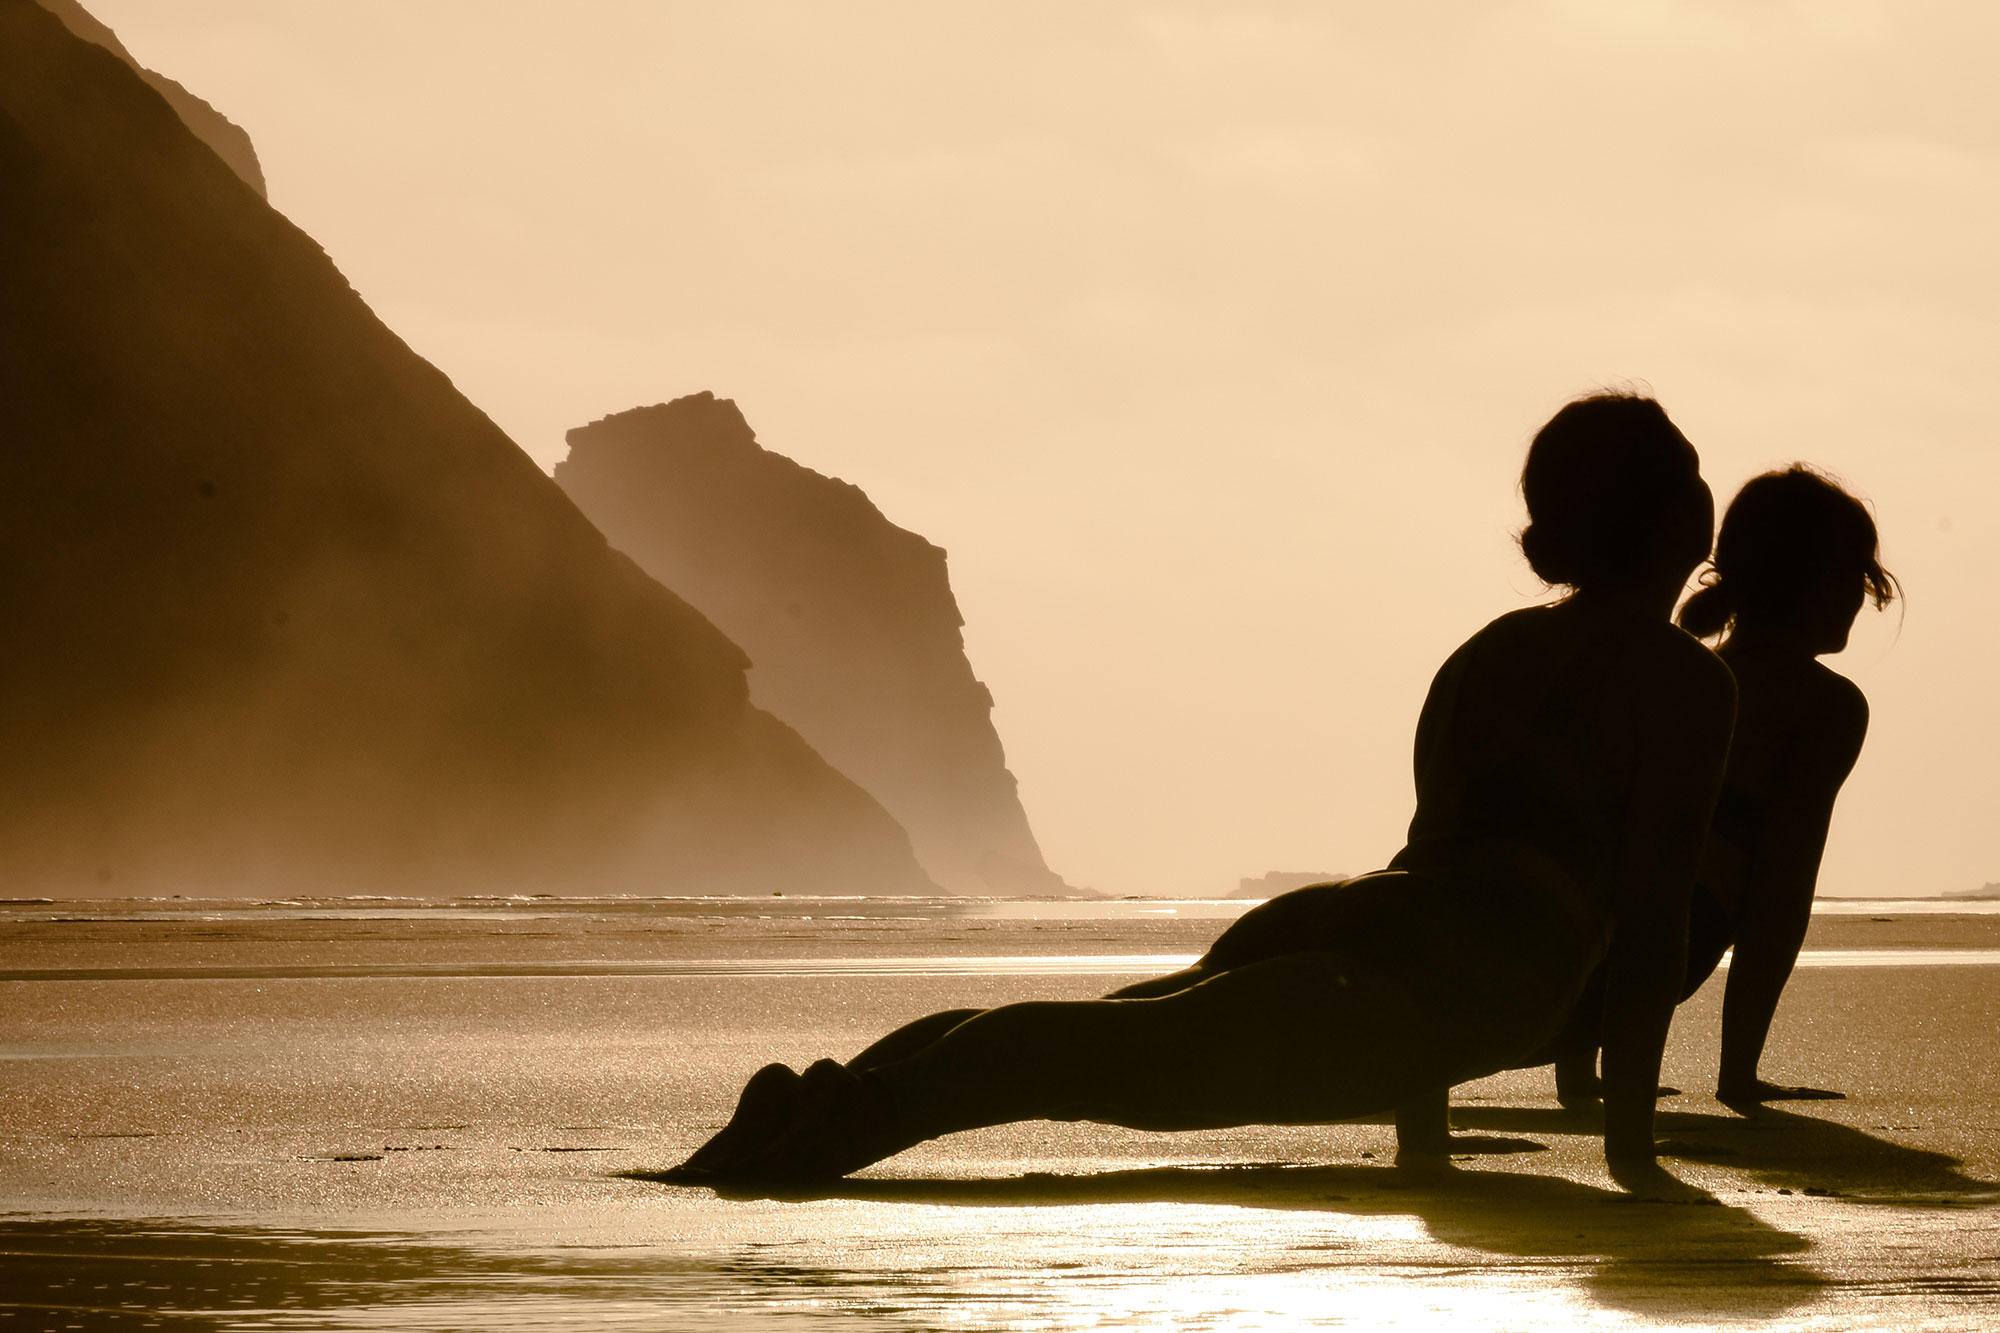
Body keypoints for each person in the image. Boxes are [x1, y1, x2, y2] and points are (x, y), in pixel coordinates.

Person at [670, 393, 1735, 1187]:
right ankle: (830, 1128)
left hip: (1375, 918)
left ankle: (828, 1094)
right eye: (1687, 471)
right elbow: (1645, 918)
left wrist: (1424, 1120)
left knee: (1102, 1034)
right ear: (1660, 516)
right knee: (1101, 1059)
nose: (1705, 487)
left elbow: (1440, 845)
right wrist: (1629, 1149)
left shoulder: (1490, 651)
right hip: (1459, 973)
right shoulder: (1684, 681)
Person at [1547, 466, 1895, 1108]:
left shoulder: (1680, 672)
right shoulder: (1824, 705)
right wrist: (1738, 1077)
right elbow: (1780, 892)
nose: (1862, 599)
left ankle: (1573, 1063)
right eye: (1856, 580)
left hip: (1556, 955)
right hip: (1659, 952)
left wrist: (1580, 1060)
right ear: (1822, 584)